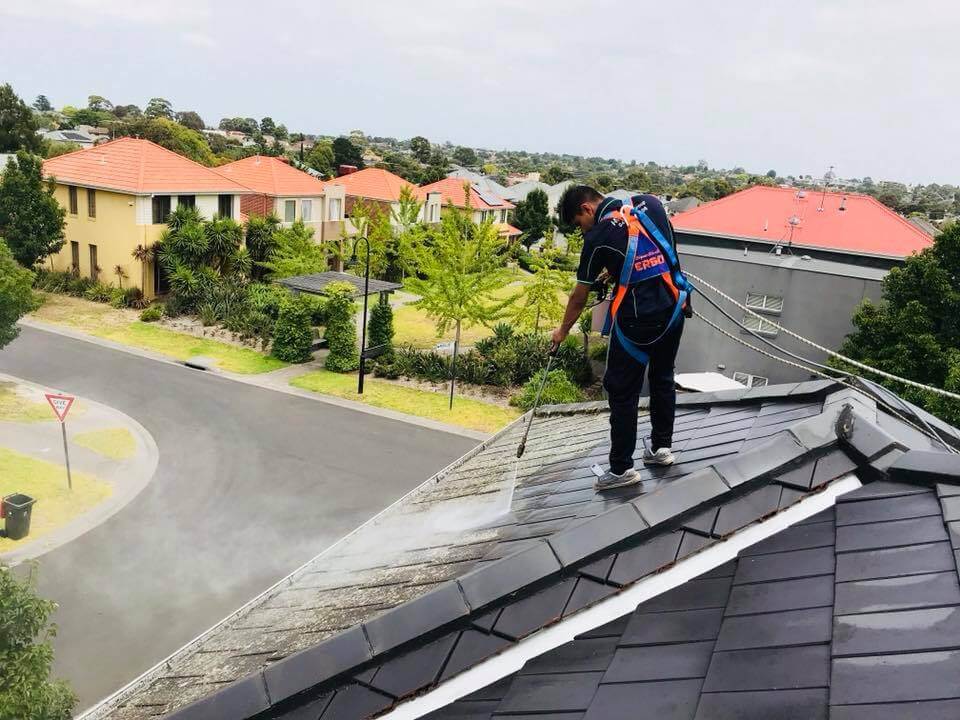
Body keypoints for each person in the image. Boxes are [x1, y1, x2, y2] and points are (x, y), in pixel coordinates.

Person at [552, 186, 689, 491]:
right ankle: (661, 449)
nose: (581, 229)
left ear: (587, 209)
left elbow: (579, 297)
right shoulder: (650, 205)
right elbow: (668, 253)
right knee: (662, 376)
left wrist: (561, 331)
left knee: (622, 391)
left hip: (638, 321)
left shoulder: (597, 237)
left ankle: (621, 469)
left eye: (578, 223)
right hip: (673, 308)